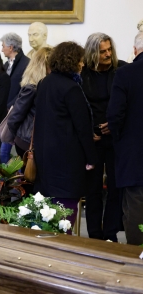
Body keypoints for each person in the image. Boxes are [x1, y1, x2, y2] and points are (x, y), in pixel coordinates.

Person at [34, 41, 96, 227]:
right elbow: (82, 127)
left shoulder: (45, 82)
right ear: (71, 61)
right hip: (66, 158)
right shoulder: (71, 88)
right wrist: (91, 157)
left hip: (46, 155)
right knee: (65, 214)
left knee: (48, 213)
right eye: (80, 60)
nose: (82, 64)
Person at [81, 33, 127, 242]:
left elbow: (131, 103)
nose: (108, 54)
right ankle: (94, 234)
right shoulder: (82, 74)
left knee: (116, 187)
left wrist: (116, 121)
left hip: (117, 137)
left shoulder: (122, 70)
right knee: (93, 189)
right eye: (102, 52)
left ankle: (110, 233)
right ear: (92, 53)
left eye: (110, 50)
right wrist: (89, 130)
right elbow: (78, 107)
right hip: (93, 139)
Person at [107, 31, 143, 245]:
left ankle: (137, 259)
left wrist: (120, 141)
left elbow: (114, 115)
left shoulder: (126, 74)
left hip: (134, 153)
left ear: (135, 50)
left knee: (136, 205)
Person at [7, 47, 52, 158]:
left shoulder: (42, 87)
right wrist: (17, 136)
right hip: (28, 142)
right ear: (44, 66)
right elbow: (15, 117)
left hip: (32, 140)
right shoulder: (32, 88)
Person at [0, 32, 30, 163]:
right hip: (4, 111)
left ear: (11, 47)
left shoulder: (26, 64)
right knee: (1, 151)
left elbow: (24, 89)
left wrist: (11, 105)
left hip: (15, 111)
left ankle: (9, 180)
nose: (2, 49)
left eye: (3, 46)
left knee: (5, 151)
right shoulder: (6, 65)